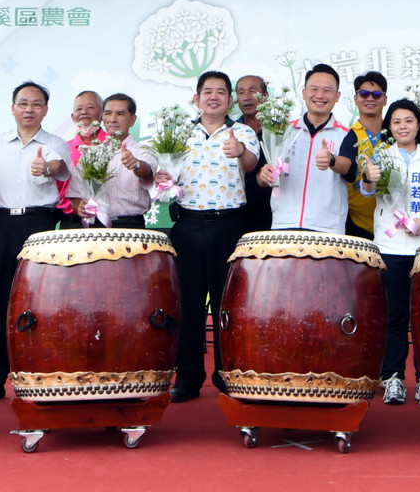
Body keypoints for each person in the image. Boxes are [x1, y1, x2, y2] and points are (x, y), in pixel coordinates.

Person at [0, 81, 69, 404]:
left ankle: (40, 377)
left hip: (38, 224)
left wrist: (46, 168)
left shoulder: (55, 142)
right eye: (22, 103)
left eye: (36, 104)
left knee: (39, 303)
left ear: (45, 110)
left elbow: (59, 167)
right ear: (12, 108)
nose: (29, 109)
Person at [167, 72, 258, 402]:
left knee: (226, 303)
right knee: (188, 302)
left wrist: (240, 151)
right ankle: (188, 377)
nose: (214, 97)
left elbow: (251, 165)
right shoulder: (179, 133)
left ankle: (227, 375)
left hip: (229, 226)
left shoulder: (242, 131)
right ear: (196, 98)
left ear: (230, 101)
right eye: (208, 92)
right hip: (188, 226)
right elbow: (166, 169)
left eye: (222, 92)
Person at [358, 98, 420, 406]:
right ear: (389, 127)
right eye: (396, 122)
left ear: (419, 125)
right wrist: (369, 179)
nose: (402, 126)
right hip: (391, 246)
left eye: (408, 121)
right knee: (394, 315)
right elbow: (366, 190)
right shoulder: (380, 156)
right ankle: (393, 377)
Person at [258, 63, 356, 233]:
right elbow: (261, 178)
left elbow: (348, 168)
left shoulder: (346, 134)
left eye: (327, 90)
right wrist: (264, 175)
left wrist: (331, 159)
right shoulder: (282, 130)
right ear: (304, 93)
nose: (320, 95)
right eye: (314, 89)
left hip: (327, 227)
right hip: (284, 223)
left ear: (337, 96)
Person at [69, 93, 156, 228]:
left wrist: (136, 164)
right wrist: (79, 206)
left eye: (120, 114)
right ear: (102, 118)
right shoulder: (91, 153)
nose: (112, 119)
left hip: (131, 225)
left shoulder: (143, 150)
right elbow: (74, 193)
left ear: (132, 120)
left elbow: (147, 172)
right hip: (96, 225)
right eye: (108, 113)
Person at [342, 71, 389, 239]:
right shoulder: (347, 136)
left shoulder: (395, 134)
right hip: (356, 224)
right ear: (356, 99)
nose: (370, 98)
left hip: (393, 224)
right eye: (364, 94)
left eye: (376, 94)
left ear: (385, 100)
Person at [55, 90, 106, 229]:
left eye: (90, 107)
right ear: (73, 117)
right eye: (79, 109)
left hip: (107, 220)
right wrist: (75, 205)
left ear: (102, 114)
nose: (84, 112)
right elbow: (57, 190)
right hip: (71, 221)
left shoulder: (114, 145)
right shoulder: (63, 148)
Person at [235, 74, 272, 233]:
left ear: (265, 96)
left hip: (273, 212)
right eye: (241, 93)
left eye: (252, 91)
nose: (246, 97)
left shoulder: (279, 131)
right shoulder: (231, 131)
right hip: (238, 213)